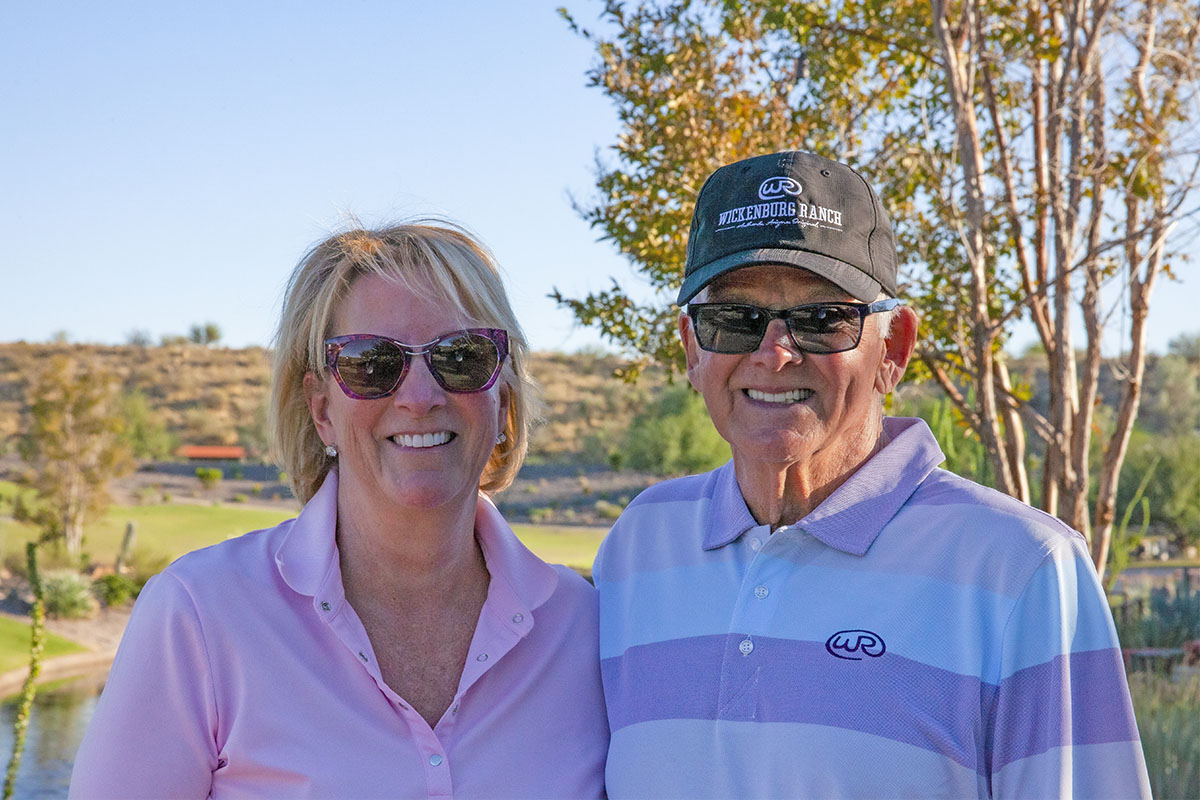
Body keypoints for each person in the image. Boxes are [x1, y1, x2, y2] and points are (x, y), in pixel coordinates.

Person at [595, 151, 1150, 798]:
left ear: (894, 349)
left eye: (824, 319)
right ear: (692, 349)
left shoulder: (1023, 570)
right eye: (735, 319)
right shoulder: (639, 547)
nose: (774, 353)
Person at [71, 222, 608, 797]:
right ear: (320, 408)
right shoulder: (199, 617)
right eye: (372, 363)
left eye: (461, 357)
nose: (420, 397)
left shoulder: (587, 629)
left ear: (502, 398)